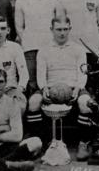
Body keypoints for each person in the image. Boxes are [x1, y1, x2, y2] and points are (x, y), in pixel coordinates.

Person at [35, 16, 94, 161]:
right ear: (51, 30)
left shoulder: (78, 49)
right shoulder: (44, 50)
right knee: (33, 102)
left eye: (65, 29)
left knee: (85, 103)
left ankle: (83, 143)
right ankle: (40, 142)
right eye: (58, 29)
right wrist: (43, 88)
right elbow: (41, 73)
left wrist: (78, 88)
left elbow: (83, 72)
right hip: (50, 87)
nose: (62, 33)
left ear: (70, 29)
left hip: (73, 87)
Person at [14, 0, 57, 137]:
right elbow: (19, 26)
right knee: (33, 88)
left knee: (48, 86)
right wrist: (30, 40)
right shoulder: (22, 0)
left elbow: (58, 24)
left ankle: (50, 133)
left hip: (49, 49)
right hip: (30, 48)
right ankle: (33, 135)